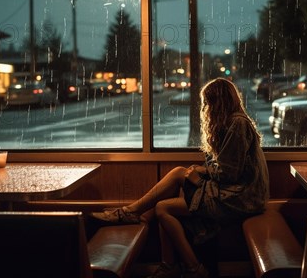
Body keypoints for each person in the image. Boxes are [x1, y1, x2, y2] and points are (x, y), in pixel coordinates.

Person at [91, 77, 269, 278]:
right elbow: (224, 167)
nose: (206, 109)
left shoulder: (237, 124)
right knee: (177, 176)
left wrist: (200, 175)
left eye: (209, 103)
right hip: (236, 193)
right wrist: (201, 170)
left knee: (163, 207)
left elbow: (228, 173)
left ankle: (189, 267)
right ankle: (141, 226)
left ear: (219, 102)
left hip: (241, 199)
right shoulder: (233, 122)